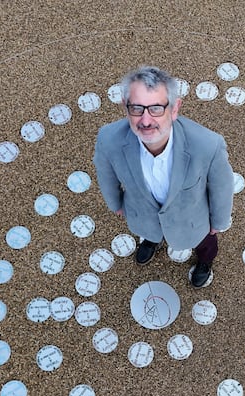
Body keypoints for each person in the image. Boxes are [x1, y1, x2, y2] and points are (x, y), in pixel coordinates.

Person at [93, 65, 234, 288]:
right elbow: (105, 172)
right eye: (137, 108)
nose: (146, 121)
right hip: (144, 216)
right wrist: (115, 204)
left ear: (175, 108)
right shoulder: (108, 138)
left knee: (206, 244)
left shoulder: (208, 145)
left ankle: (205, 262)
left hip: (193, 220)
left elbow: (222, 187)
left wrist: (218, 222)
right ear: (125, 106)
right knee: (151, 232)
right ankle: (153, 240)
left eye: (156, 108)